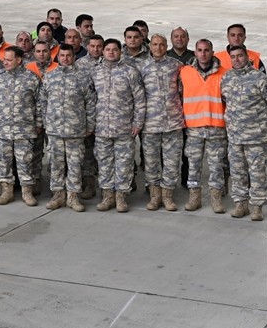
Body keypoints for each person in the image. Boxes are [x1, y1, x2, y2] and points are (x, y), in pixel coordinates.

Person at [40, 47, 96, 211]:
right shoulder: (50, 77)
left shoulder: (83, 77)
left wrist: (90, 125)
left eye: (68, 55)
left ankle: (73, 196)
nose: (65, 58)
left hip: (75, 130)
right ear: (58, 57)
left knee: (74, 164)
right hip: (55, 130)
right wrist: (46, 122)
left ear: (73, 57)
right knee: (56, 164)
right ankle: (58, 195)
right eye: (62, 55)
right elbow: (43, 102)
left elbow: (91, 104)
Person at [93, 39, 145, 213]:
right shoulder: (96, 73)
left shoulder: (130, 72)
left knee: (124, 163)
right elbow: (90, 100)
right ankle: (107, 196)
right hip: (101, 128)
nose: (111, 52)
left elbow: (139, 99)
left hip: (124, 128)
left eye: (115, 49)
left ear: (120, 52)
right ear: (103, 52)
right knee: (105, 163)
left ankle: (121, 197)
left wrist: (138, 123)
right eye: (107, 49)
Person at [220, 45, 267, 221]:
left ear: (247, 56)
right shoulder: (226, 78)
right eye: (233, 57)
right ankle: (241, 204)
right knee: (238, 171)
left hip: (256, 136)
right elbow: (225, 102)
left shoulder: (260, 78)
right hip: (234, 136)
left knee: (257, 173)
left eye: (240, 56)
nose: (236, 59)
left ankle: (257, 207)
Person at [138, 34, 185, 211]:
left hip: (172, 122)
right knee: (151, 162)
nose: (158, 48)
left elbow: (182, 91)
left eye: (162, 44)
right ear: (150, 46)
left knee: (172, 161)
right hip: (150, 123)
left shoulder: (176, 65)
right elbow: (138, 95)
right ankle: (155, 195)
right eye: (155, 44)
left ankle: (168, 196)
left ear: (167, 46)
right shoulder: (142, 67)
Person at [0, 48, 42, 206]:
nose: (5, 62)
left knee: (25, 161)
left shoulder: (31, 78)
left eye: (9, 60)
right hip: (2, 129)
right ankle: (7, 191)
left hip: (24, 130)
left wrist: (39, 123)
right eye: (4, 59)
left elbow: (39, 103)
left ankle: (27, 192)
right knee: (3, 161)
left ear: (19, 60)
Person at [180, 39, 228, 213]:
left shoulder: (224, 73)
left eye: (206, 50)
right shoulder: (185, 72)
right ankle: (194, 197)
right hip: (194, 128)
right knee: (193, 165)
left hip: (216, 128)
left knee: (216, 165)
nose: (203, 53)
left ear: (212, 52)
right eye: (199, 50)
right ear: (195, 52)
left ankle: (216, 197)